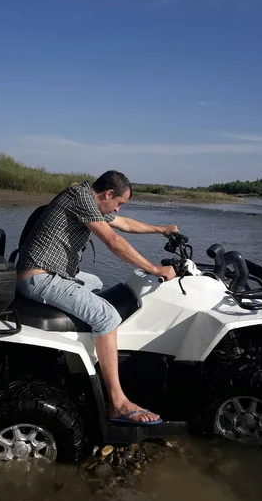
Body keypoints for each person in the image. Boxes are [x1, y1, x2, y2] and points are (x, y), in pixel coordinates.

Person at [16, 171, 177, 425]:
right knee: (107, 316)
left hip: (49, 273)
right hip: (40, 277)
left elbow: (124, 224)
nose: (118, 208)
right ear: (108, 193)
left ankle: (84, 354)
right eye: (119, 202)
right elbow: (114, 240)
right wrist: (155, 270)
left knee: (96, 283)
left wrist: (161, 230)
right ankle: (118, 403)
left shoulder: (90, 200)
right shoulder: (80, 196)